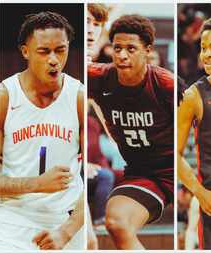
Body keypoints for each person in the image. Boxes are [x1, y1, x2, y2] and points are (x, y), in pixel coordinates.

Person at [0, 11, 85, 250]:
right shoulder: (4, 96)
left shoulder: (78, 97)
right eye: (44, 51)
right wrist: (37, 184)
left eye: (61, 50)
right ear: (25, 51)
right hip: (15, 220)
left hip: (68, 221)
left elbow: (96, 174)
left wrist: (66, 232)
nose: (54, 59)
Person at [88, 14, 174, 249]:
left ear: (147, 50)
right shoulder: (99, 78)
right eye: (117, 48)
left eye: (131, 49)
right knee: (116, 223)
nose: (122, 55)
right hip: (138, 172)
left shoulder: (166, 84)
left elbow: (199, 128)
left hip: (171, 172)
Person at [178, 15, 211, 249]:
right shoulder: (193, 96)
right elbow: (174, 153)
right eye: (203, 48)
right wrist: (199, 192)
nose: (207, 54)